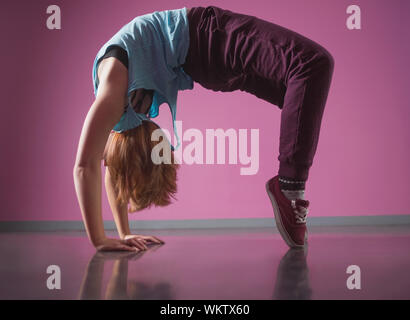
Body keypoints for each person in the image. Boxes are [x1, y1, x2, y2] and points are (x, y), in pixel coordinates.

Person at [73, 6, 334, 251]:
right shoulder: (120, 116)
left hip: (203, 62)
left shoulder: (113, 93)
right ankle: (290, 186)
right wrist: (110, 236)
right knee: (311, 63)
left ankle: (290, 185)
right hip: (204, 40)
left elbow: (95, 167)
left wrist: (109, 237)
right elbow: (109, 170)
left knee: (299, 93)